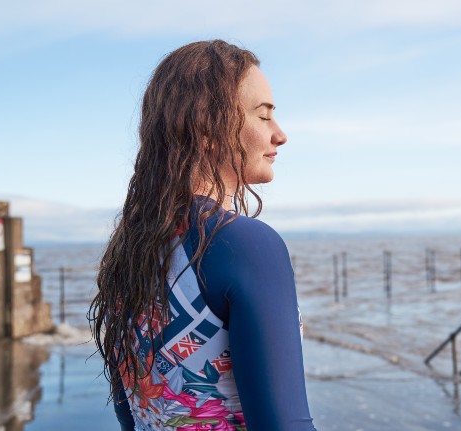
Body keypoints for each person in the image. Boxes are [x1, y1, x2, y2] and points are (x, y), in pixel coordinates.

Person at [88, 40, 317, 431]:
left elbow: (133, 414)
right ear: (208, 127)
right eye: (263, 117)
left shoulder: (130, 252)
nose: (280, 135)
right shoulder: (245, 245)